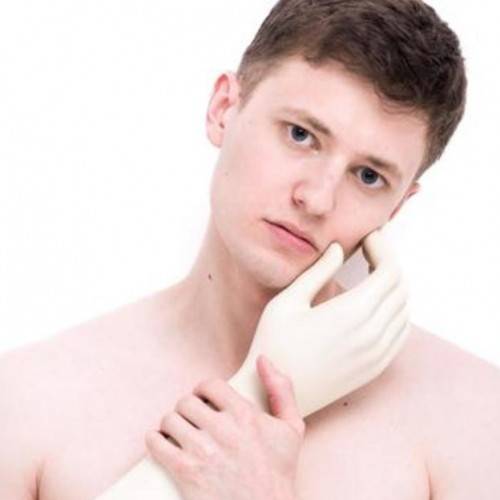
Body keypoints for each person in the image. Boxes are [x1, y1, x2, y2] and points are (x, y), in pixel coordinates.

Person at [1, 0, 500, 499]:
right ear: (223, 109)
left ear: (397, 207)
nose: (317, 198)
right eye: (301, 135)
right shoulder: (30, 403)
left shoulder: (473, 418)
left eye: (368, 176)